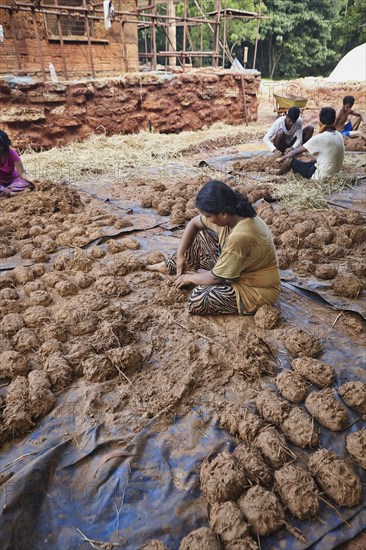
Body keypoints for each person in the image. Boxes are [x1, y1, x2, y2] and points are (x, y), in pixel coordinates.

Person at [147, 180, 281, 316]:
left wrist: (189, 278)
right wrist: (181, 255)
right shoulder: (232, 214)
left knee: (197, 299)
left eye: (208, 216)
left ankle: (192, 276)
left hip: (255, 289)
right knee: (202, 237)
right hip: (238, 268)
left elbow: (217, 279)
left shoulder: (241, 235)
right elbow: (194, 223)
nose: (207, 219)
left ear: (223, 214)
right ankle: (171, 265)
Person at [275, 107, 344, 180]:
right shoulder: (339, 135)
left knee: (289, 159)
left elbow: (293, 153)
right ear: (334, 120)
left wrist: (281, 158)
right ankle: (294, 170)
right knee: (311, 162)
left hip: (319, 176)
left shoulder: (320, 138)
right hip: (334, 173)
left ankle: (278, 173)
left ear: (320, 122)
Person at [0, 130, 35, 198]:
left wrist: (33, 180)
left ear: (1, 146)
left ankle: (7, 192)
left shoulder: (12, 154)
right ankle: (13, 194)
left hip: (13, 181)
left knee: (28, 183)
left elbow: (22, 173)